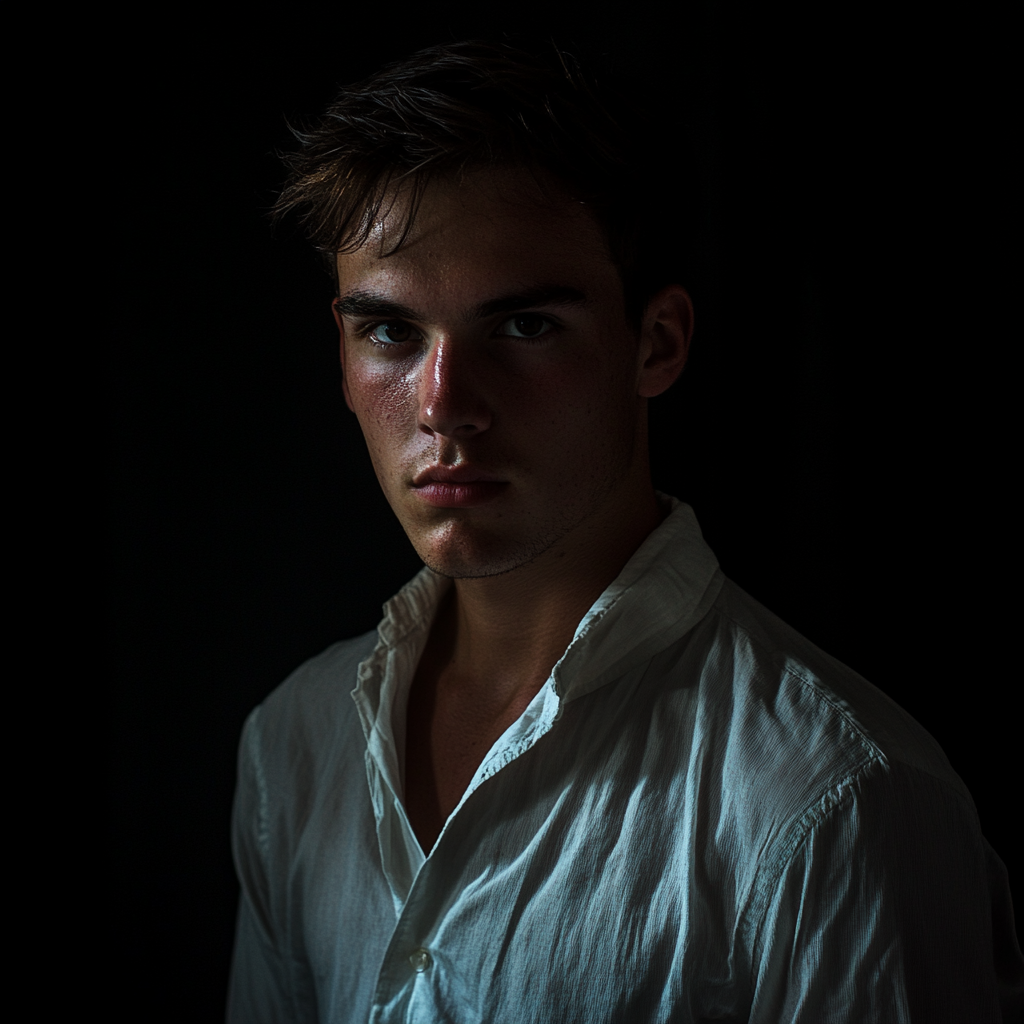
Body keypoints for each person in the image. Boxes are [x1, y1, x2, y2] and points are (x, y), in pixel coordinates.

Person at [227, 40, 1023, 1023]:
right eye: (391, 332)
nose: (445, 406)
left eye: (521, 327)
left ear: (657, 343)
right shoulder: (296, 744)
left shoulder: (837, 802)